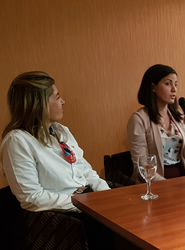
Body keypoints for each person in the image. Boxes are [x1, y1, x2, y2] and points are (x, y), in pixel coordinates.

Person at [0, 71, 114, 249]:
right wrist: (84, 204)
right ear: (39, 104)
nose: (63, 102)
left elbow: (84, 169)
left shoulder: (61, 131)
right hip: (63, 215)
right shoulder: (17, 141)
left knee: (133, 210)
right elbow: (31, 197)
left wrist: (106, 193)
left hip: (87, 199)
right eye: (57, 97)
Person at [127, 64, 185, 183]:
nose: (174, 89)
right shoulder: (139, 119)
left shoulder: (179, 117)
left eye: (175, 84)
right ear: (153, 87)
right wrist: (168, 186)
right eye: (168, 84)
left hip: (182, 181)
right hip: (154, 185)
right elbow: (142, 167)